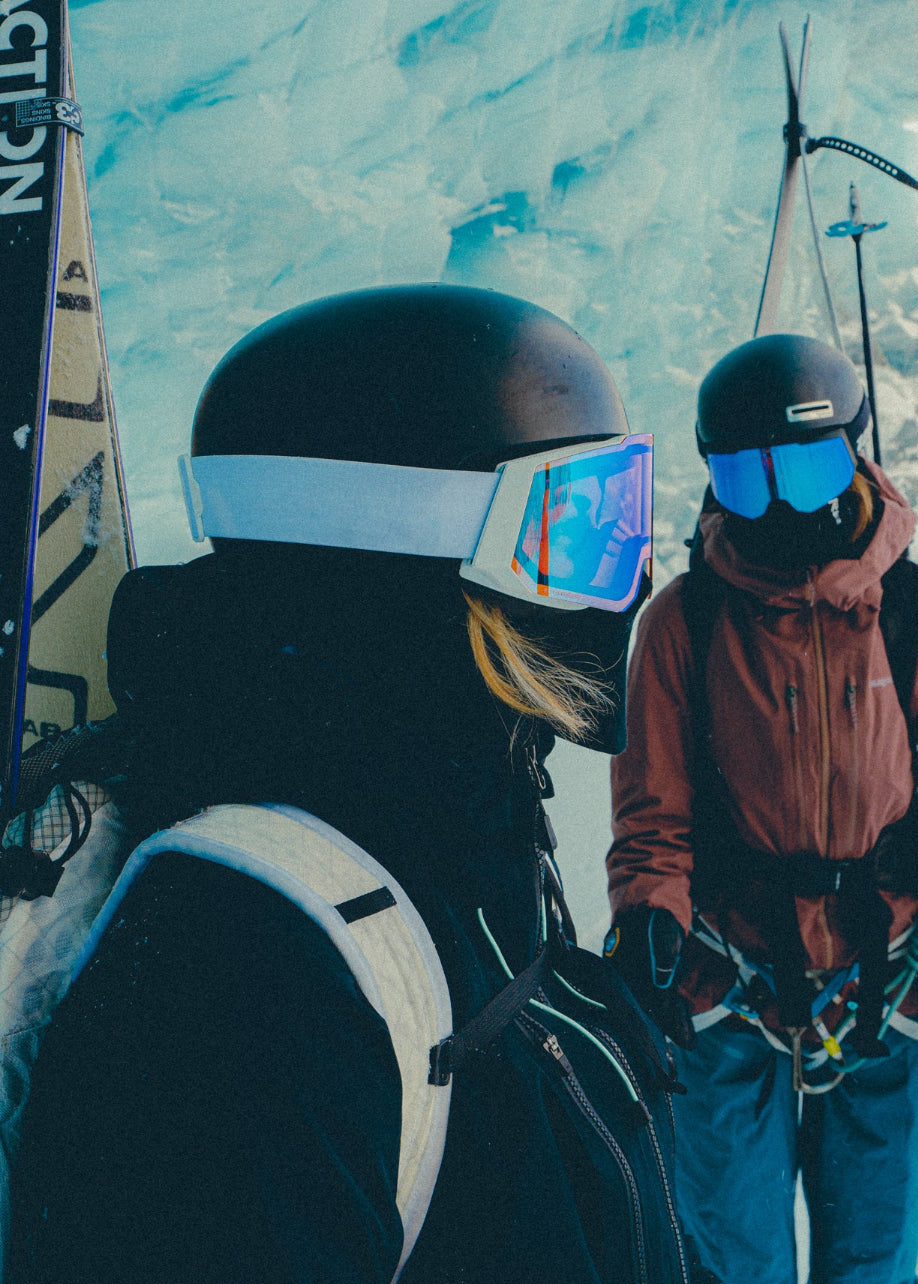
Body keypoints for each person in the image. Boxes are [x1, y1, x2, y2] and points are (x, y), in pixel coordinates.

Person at [7, 284, 694, 1284]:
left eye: (619, 517)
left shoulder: (470, 832)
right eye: (572, 532)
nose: (621, 582)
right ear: (396, 561)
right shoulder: (243, 978)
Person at [606, 331, 918, 1284]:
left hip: (890, 981)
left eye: (808, 466)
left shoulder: (905, 612)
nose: (781, 504)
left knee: (878, 1255)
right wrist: (649, 923)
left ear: (857, 454)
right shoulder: (686, 624)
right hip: (727, 986)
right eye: (749, 481)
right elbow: (652, 820)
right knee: (732, 1253)